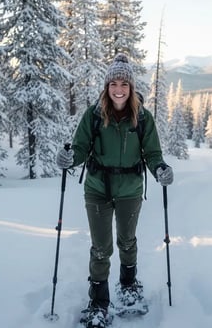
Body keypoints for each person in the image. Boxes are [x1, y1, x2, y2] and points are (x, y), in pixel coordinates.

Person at [56, 53, 173, 328]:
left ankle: (128, 284)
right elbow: (81, 148)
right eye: (113, 84)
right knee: (100, 248)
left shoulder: (142, 118)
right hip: (97, 187)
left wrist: (161, 170)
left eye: (124, 84)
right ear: (106, 88)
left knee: (127, 241)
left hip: (130, 190)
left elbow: (153, 153)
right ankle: (98, 304)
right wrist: (70, 159)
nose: (118, 89)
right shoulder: (94, 115)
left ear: (131, 88)